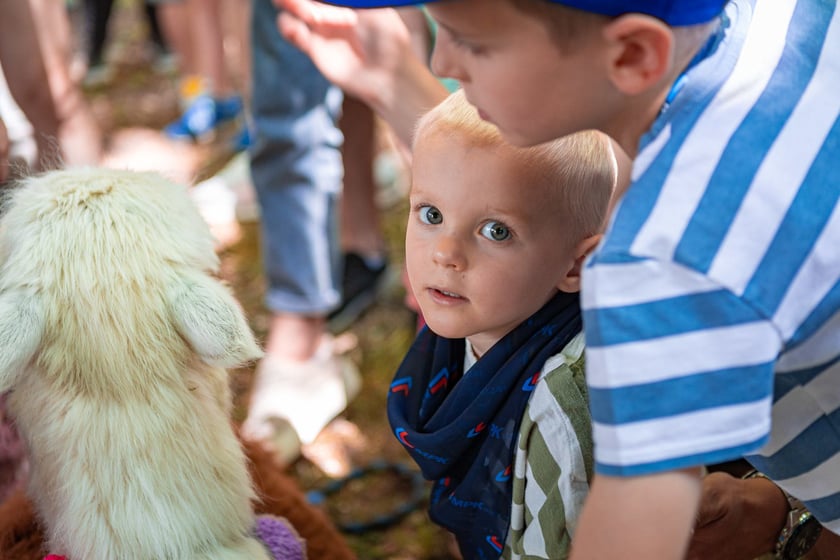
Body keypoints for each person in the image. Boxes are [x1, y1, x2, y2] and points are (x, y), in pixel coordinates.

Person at [274, 0, 840, 559]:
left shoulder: (669, 264)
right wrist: (395, 81)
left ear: (635, 52)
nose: (443, 55)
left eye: (474, 42)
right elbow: (544, 189)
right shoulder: (779, 25)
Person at [390, 89, 616, 559]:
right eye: (431, 215)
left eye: (496, 231)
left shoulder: (563, 408)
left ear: (575, 267)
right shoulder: (467, 317)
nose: (444, 254)